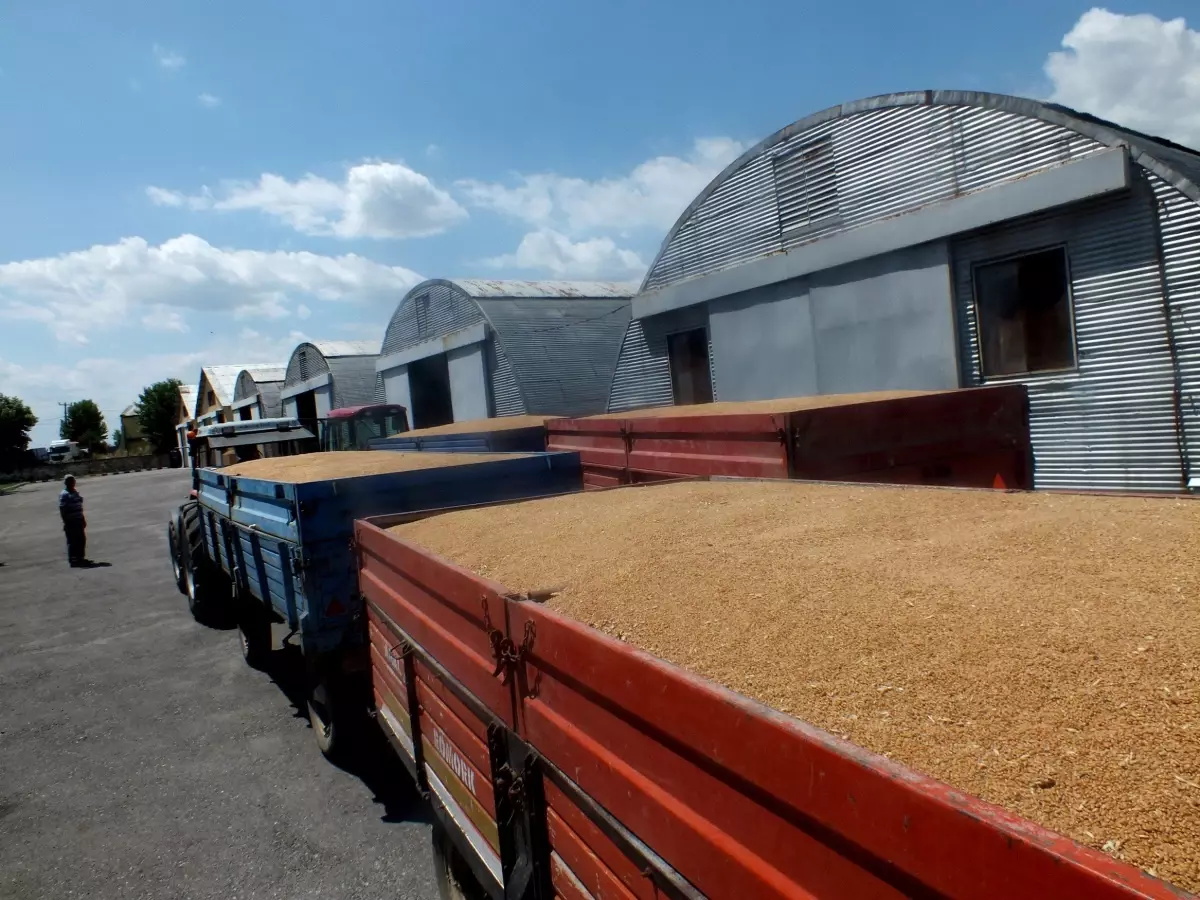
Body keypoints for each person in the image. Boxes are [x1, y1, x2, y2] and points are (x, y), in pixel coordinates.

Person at [59, 475, 87, 566]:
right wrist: (65, 521)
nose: (73, 483)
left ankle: (80, 557)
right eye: (70, 481)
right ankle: (73, 559)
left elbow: (80, 506)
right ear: (66, 483)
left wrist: (83, 518)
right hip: (71, 521)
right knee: (72, 540)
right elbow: (62, 509)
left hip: (78, 518)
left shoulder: (75, 492)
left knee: (81, 539)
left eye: (73, 481)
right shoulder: (64, 494)